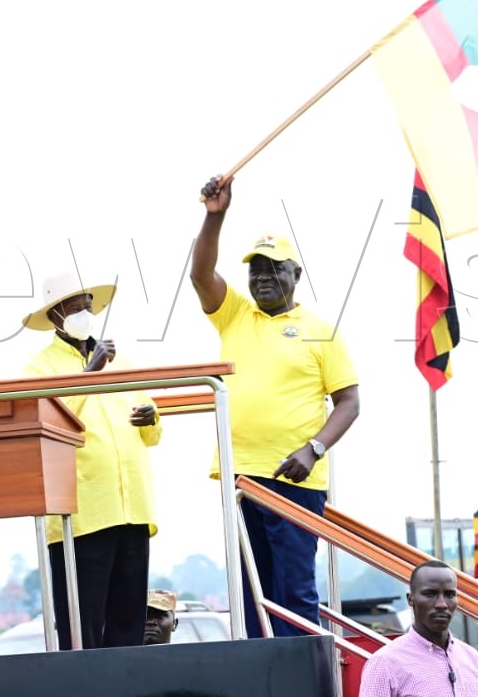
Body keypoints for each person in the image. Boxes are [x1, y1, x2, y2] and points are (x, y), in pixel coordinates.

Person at [192, 174, 360, 638]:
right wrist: (215, 216)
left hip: (293, 477)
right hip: (242, 474)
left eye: (274, 268)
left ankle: (303, 671)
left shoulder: (321, 330)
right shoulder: (235, 315)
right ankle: (262, 672)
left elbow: (349, 402)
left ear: (296, 275)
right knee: (253, 593)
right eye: (256, 270)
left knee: (293, 592)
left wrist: (314, 449)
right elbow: (201, 274)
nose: (263, 277)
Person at [22, 270, 161, 650]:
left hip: (132, 508)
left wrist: (153, 417)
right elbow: (47, 421)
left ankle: (128, 681)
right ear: (54, 314)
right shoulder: (40, 368)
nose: (84, 311)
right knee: (81, 627)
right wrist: (89, 374)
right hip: (80, 516)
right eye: (74, 305)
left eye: (87, 304)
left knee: (128, 622)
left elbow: (153, 433)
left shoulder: (122, 360)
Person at [358, 560, 478, 696]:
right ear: (410, 599)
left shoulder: (471, 658)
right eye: (430, 594)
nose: (442, 604)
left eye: (450, 595)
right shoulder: (384, 663)